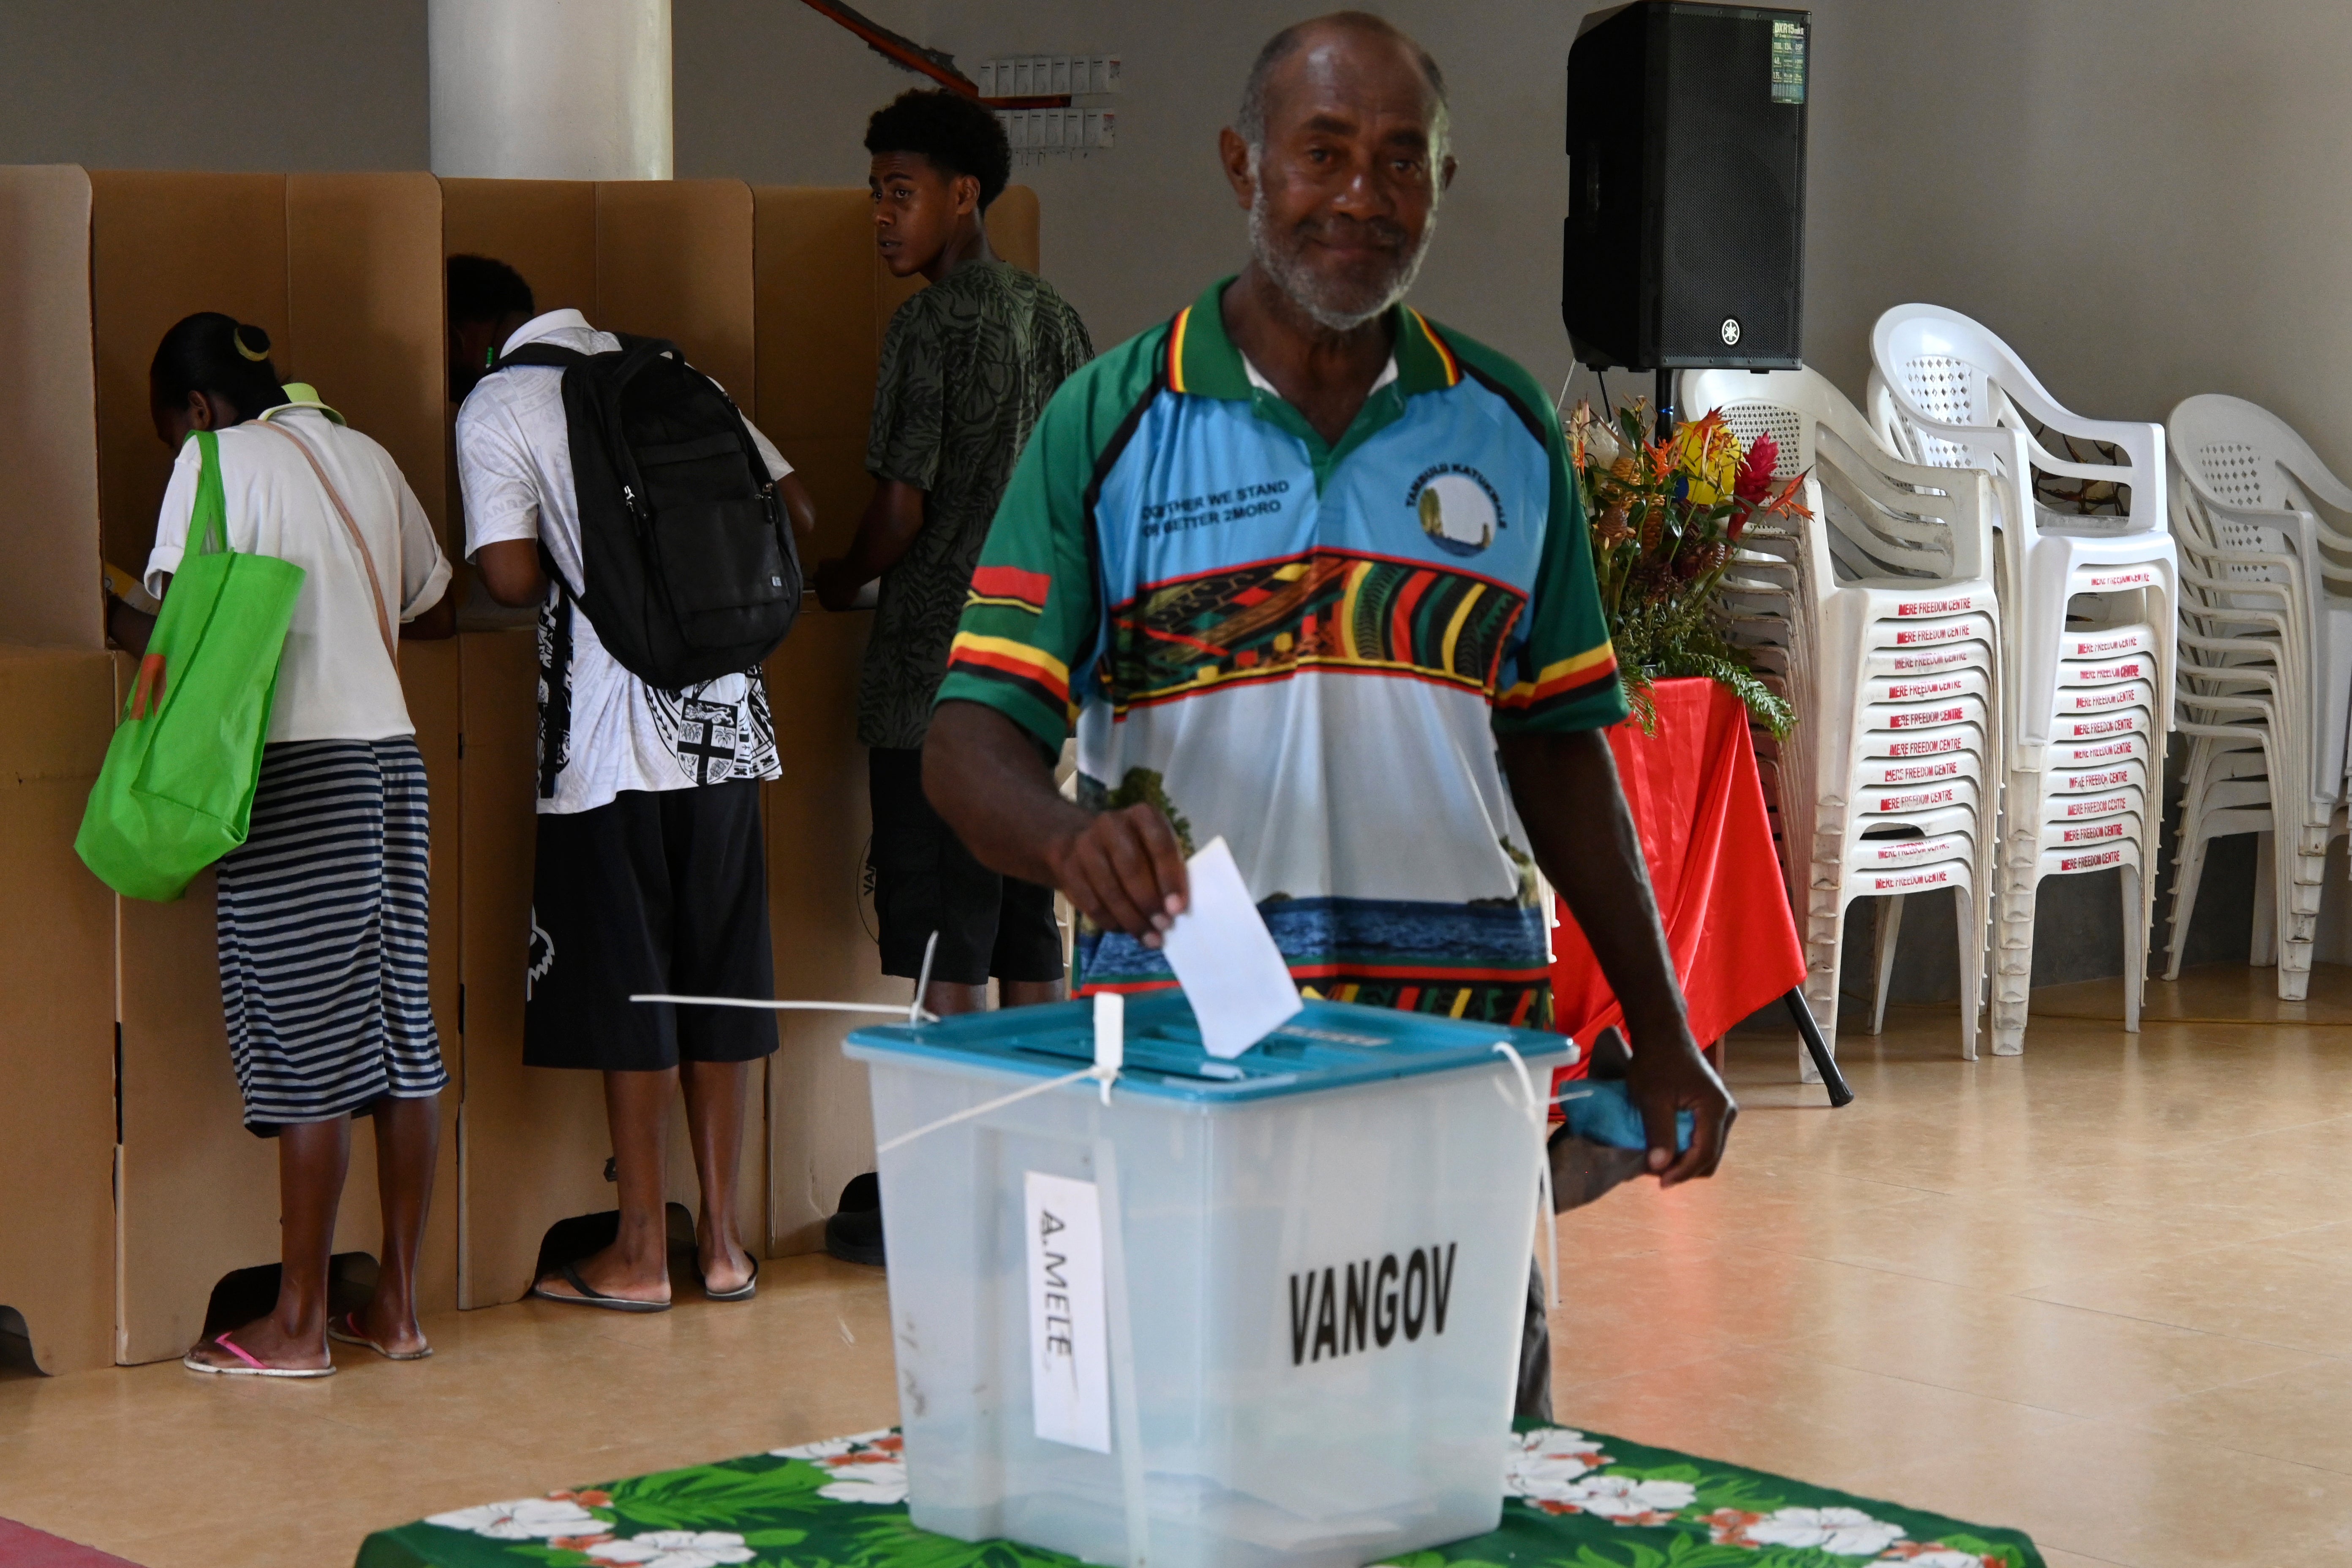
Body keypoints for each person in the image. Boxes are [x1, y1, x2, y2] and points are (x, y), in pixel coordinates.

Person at [921, 14, 1737, 1420]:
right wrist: (1064, 840)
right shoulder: (1107, 420)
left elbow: (1554, 750)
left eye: (1399, 161)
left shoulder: (1504, 428)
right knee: (1201, 1456)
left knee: (1460, 1453)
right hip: (1192, 1064)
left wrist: (1660, 1026)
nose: (1361, 195)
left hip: (1449, 1072)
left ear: (1439, 184)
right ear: (1243, 166)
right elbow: (966, 736)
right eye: (1321, 153)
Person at [449, 256, 817, 1310]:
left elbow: (512, 576)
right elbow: (797, 506)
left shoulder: (500, 401)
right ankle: (729, 1246)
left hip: (610, 743)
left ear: (477, 336)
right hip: (731, 727)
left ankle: (645, 1253)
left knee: (637, 987)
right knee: (718, 975)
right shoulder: (675, 372)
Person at [114, 313, 456, 1375]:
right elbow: (435, 604)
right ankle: (394, 1306)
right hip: (393, 763)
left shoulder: (213, 461)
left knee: (306, 1047)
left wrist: (108, 603)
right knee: (402, 1033)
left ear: (199, 410)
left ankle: (299, 1322)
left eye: (173, 428)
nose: (179, 447)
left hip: (298, 773)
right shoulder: (363, 451)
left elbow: (169, 632)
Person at [813, 89, 1093, 1021]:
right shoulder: (1055, 317)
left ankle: (959, 1161)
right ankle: (1032, 1155)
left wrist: (843, 576)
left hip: (933, 683)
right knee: (1023, 919)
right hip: (1032, 675)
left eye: (901, 191)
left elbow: (900, 508)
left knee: (945, 937)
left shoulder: (926, 326)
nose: (883, 216)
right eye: (875, 195)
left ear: (965, 194)